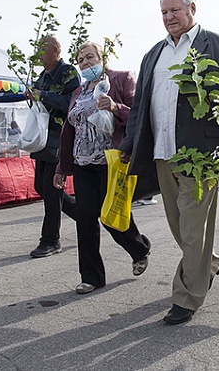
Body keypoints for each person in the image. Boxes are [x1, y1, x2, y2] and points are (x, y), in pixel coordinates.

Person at [119, 0, 219, 325]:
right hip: (162, 153)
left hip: (201, 156)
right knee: (180, 227)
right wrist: (130, 142)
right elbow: (139, 106)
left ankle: (187, 298)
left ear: (192, 8)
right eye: (163, 13)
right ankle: (209, 263)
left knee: (192, 229)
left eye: (175, 10)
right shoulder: (153, 56)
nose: (169, 17)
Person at [53, 42, 151, 295]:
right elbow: (70, 130)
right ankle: (92, 277)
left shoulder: (120, 79)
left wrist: (116, 107)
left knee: (111, 215)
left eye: (89, 57)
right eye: (80, 60)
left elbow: (140, 115)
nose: (85, 63)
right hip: (82, 162)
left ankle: (139, 248)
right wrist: (62, 168)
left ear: (101, 58)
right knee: (85, 220)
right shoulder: (78, 91)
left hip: (112, 160)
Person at [25, 35, 80, 258]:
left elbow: (72, 103)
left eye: (42, 49)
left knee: (51, 188)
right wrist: (32, 96)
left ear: (56, 50)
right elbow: (41, 102)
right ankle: (80, 211)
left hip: (60, 137)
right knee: (41, 186)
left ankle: (50, 240)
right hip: (43, 137)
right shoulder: (42, 76)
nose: (39, 54)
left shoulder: (68, 72)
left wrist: (44, 95)